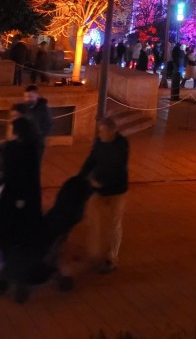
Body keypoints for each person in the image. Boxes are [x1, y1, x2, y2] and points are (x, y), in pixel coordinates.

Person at [0, 116, 43, 298]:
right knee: (21, 240)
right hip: (24, 199)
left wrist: (19, 197)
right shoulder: (30, 147)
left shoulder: (18, 149)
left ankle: (12, 274)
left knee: (15, 238)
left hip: (18, 201)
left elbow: (20, 174)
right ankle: (16, 272)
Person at [79, 116, 129, 274]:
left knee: (115, 223)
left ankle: (112, 258)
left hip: (116, 190)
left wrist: (100, 182)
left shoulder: (122, 145)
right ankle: (94, 253)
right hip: (100, 189)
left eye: (103, 131)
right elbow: (92, 159)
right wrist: (81, 176)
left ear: (112, 131)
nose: (100, 134)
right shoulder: (100, 142)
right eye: (99, 131)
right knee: (93, 218)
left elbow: (117, 167)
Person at [22, 85, 53, 156]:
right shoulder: (24, 107)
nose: (27, 99)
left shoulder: (44, 109)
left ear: (37, 96)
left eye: (30, 97)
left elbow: (48, 125)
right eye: (26, 97)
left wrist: (38, 137)